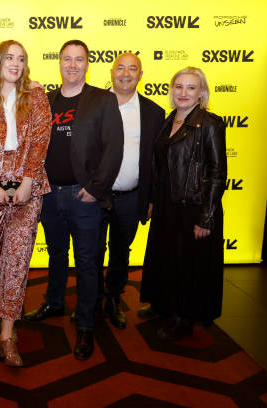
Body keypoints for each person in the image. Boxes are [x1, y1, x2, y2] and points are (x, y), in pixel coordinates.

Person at [22, 40, 123, 361]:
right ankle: (54, 303)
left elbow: (113, 149)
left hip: (84, 196)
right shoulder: (46, 100)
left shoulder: (103, 100)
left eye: (79, 59)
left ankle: (85, 324)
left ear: (87, 64)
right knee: (55, 255)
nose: (73, 65)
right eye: (68, 59)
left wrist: (95, 188)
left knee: (87, 262)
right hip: (50, 194)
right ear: (60, 62)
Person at [0, 40, 51, 367]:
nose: (15, 63)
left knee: (17, 257)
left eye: (21, 58)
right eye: (9, 58)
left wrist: (28, 181)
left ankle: (6, 334)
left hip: (28, 186)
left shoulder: (37, 97)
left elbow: (40, 142)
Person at [140, 67, 226, 340]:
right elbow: (160, 165)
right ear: (171, 90)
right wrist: (153, 200)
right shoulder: (169, 119)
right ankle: (163, 304)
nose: (184, 93)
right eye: (179, 86)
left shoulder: (209, 124)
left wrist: (206, 217)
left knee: (188, 264)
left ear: (202, 93)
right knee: (166, 257)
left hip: (194, 206)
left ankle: (185, 317)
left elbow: (217, 173)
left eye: (191, 87)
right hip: (167, 203)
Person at [95, 53, 165, 329]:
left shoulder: (153, 112)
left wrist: (151, 198)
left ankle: (113, 298)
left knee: (121, 252)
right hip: (95, 196)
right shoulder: (93, 105)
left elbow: (156, 162)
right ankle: (92, 300)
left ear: (141, 74)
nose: (126, 74)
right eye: (121, 68)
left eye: (132, 69)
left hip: (131, 197)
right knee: (91, 251)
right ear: (112, 72)